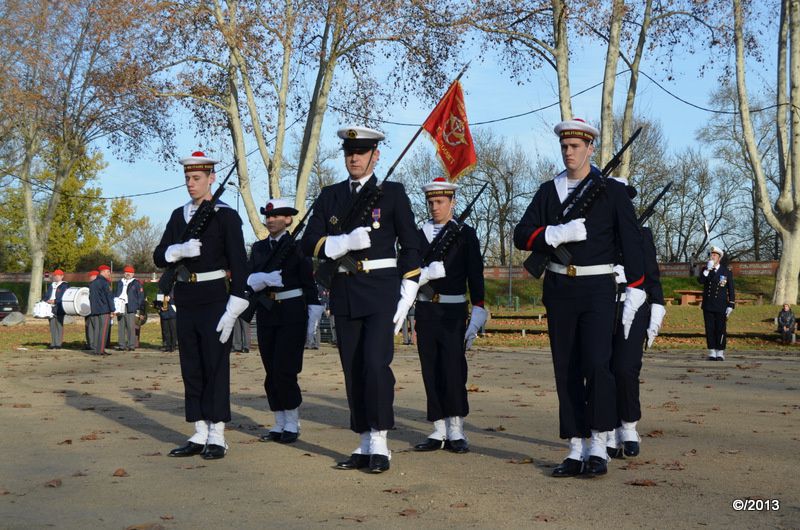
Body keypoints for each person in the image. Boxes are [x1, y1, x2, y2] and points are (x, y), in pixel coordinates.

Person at [513, 118, 645, 478]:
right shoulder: (548, 192)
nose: (569, 152)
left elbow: (633, 244)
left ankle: (599, 445)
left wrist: (637, 287)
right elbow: (521, 235)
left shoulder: (612, 192)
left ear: (589, 148)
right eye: (564, 147)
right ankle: (575, 446)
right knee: (566, 368)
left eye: (576, 146)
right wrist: (554, 233)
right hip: (559, 289)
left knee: (597, 367)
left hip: (599, 289)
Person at [302, 126, 421, 474]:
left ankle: (381, 442)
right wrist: (340, 244)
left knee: (375, 365)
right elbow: (308, 241)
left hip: (382, 291)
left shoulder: (393, 194)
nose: (354, 157)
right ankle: (364, 440)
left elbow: (411, 244)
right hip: (345, 292)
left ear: (376, 155)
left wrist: (409, 288)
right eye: (349, 152)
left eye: (362, 151)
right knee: (353, 368)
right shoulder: (330, 195)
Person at [153, 151, 249, 461]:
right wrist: (177, 250)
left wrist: (236, 303)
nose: (191, 184)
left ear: (211, 178)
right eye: (188, 179)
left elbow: (239, 262)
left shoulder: (226, 216)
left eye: (197, 179)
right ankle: (199, 430)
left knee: (215, 366)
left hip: (214, 299)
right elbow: (158, 256)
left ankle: (218, 433)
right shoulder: (178, 215)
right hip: (186, 297)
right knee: (191, 367)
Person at [412, 177, 486, 455]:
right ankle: (438, 428)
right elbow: (406, 271)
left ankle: (456, 428)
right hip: (426, 309)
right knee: (430, 367)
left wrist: (478, 308)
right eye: (431, 202)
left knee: (454, 369)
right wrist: (424, 275)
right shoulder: (418, 234)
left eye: (440, 201)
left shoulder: (465, 234)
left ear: (452, 203)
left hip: (453, 310)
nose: (435, 207)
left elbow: (475, 274)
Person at [247, 198, 321, 444]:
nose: (270, 220)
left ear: (288, 219)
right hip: (267, 312)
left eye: (276, 216)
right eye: (268, 217)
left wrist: (313, 312)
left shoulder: (297, 247)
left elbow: (308, 283)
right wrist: (260, 279)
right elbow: (248, 276)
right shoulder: (258, 248)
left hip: (291, 313)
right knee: (270, 370)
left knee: (285, 369)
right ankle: (278, 422)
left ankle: (292, 421)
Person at [605, 184, 666, 459]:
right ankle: (605, 428)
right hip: (602, 306)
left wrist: (657, 308)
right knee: (602, 369)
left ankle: (628, 427)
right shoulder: (598, 235)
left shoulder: (642, 235)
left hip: (636, 305)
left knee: (626, 368)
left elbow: (651, 275)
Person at [698, 246, 735, 361]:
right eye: (711, 255)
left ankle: (720, 351)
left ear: (719, 257)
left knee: (720, 328)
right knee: (710, 328)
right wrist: (707, 270)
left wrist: (731, 304)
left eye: (714, 255)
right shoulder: (706, 269)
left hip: (721, 304)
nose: (712, 256)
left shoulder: (726, 271)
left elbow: (731, 289)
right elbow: (700, 281)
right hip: (708, 304)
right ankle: (712, 350)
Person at [113, 265, 145, 351]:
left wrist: (139, 308)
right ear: (124, 273)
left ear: (133, 274)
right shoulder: (120, 282)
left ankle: (131, 345)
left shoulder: (136, 283)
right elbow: (115, 293)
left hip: (130, 306)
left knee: (130, 326)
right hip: (120, 305)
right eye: (126, 272)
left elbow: (140, 296)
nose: (128, 274)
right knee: (121, 326)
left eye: (130, 272)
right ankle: (121, 345)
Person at [88, 265, 115, 356]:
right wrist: (112, 309)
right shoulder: (104, 283)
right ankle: (101, 350)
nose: (109, 274)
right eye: (108, 272)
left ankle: (96, 349)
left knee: (97, 330)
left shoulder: (93, 283)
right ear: (103, 272)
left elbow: (90, 297)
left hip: (95, 309)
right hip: (104, 309)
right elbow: (109, 297)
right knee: (103, 330)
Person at [43, 269, 70, 349]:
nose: (56, 277)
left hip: (59, 307)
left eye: (58, 275)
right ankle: (53, 343)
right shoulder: (52, 285)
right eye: (55, 275)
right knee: (52, 326)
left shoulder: (65, 285)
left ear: (62, 276)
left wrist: (55, 301)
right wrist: (45, 300)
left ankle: (58, 343)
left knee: (59, 326)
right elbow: (47, 295)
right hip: (50, 307)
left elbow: (64, 296)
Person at [84, 270, 99, 351]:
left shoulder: (98, 286)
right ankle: (90, 343)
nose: (90, 278)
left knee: (95, 327)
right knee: (88, 327)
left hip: (95, 309)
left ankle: (95, 344)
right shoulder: (87, 286)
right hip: (87, 309)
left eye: (91, 276)